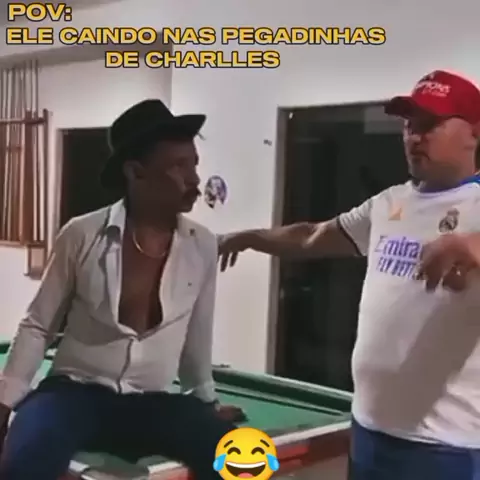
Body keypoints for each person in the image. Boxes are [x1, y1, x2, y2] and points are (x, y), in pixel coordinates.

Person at [219, 70, 480, 479]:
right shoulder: (389, 203)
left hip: (445, 446)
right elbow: (311, 236)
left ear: (475, 133)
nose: (414, 137)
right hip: (370, 430)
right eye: (409, 125)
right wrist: (249, 237)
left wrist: (472, 245)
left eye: (430, 124)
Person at [0, 99, 239, 479]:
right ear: (135, 172)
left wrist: (205, 403)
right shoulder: (81, 234)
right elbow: (39, 326)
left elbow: (197, 336)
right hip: (72, 395)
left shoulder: (203, 245)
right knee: (23, 463)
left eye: (194, 164)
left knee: (243, 464)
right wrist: (4, 403)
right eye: (179, 166)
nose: (194, 180)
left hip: (153, 403)